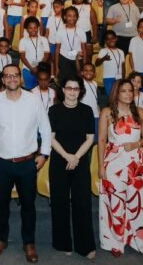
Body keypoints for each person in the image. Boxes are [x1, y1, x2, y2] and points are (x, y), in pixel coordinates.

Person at [0, 64, 51, 263]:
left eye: (15, 75)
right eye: (7, 76)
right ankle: (1, 239)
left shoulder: (33, 100)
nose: (12, 79)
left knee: (28, 205)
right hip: (1, 163)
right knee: (1, 205)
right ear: (3, 79)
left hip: (27, 164)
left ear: (20, 78)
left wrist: (44, 154)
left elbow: (45, 128)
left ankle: (29, 243)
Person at [98, 79, 143, 258]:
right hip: (113, 162)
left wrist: (136, 144)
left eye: (130, 90)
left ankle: (139, 243)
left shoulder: (140, 112)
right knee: (115, 203)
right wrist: (101, 166)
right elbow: (102, 140)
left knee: (138, 203)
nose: (129, 94)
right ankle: (114, 243)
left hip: (136, 163)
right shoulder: (107, 113)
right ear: (116, 93)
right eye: (124, 91)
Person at [48, 77, 96, 260]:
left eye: (76, 89)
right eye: (69, 88)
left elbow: (90, 138)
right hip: (59, 160)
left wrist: (76, 157)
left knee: (82, 203)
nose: (72, 92)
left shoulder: (87, 110)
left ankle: (85, 246)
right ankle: (63, 243)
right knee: (59, 202)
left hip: (80, 161)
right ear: (63, 90)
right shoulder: (54, 110)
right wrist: (67, 156)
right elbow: (51, 137)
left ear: (80, 91)